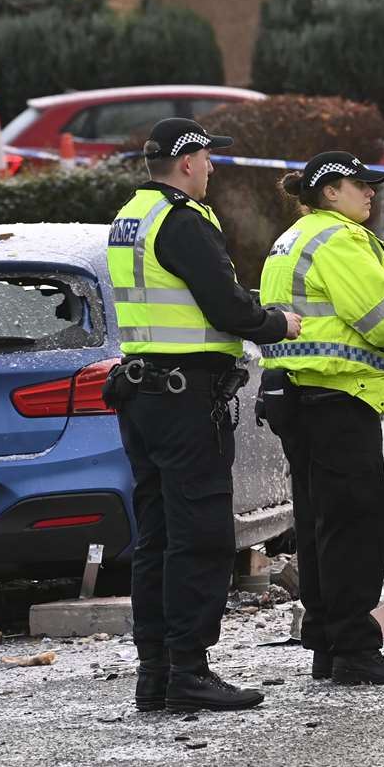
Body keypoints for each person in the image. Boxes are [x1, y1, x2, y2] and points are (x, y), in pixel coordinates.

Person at [105, 118, 301, 714]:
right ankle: (189, 669)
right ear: (187, 161)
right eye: (209, 157)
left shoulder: (130, 216)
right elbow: (225, 305)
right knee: (202, 535)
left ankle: (156, 672)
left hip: (144, 393)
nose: (213, 167)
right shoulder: (183, 221)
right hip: (185, 397)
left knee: (158, 536)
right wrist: (275, 322)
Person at [257, 151, 384, 686]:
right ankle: (355, 647)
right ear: (331, 191)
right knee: (355, 527)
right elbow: (383, 322)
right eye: (361, 185)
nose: (371, 193)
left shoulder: (294, 236)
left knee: (317, 525)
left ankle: (327, 644)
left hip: (296, 395)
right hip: (339, 396)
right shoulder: (341, 240)